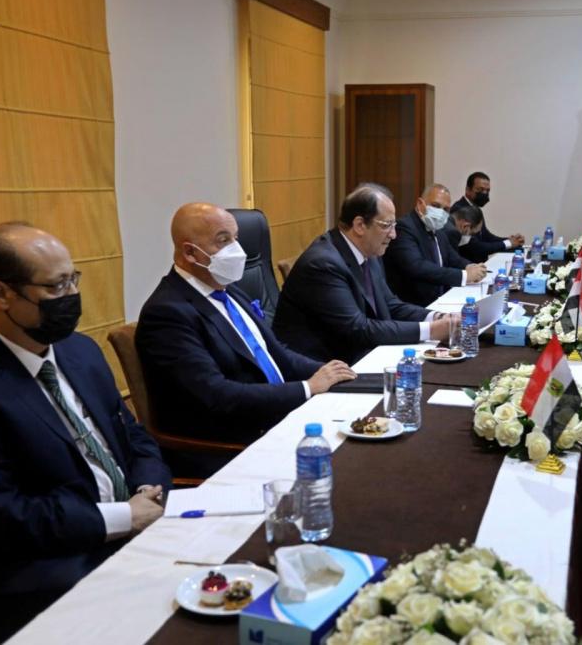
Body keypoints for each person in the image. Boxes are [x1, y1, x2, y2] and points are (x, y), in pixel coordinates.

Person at [0, 223, 171, 645]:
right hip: (34, 570)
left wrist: (147, 488)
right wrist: (123, 517)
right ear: (0, 294)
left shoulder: (79, 350)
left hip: (127, 527)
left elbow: (132, 435)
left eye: (73, 279)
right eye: (56, 286)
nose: (72, 296)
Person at [135, 203, 356, 466]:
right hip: (228, 443)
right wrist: (307, 388)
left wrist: (332, 374)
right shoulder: (167, 313)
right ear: (190, 252)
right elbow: (217, 395)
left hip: (277, 415)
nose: (236, 249)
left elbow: (276, 354)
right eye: (223, 240)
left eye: (236, 238)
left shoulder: (227, 290)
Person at [273, 183, 454, 364]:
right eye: (386, 225)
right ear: (360, 225)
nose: (393, 235)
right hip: (321, 366)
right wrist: (431, 330)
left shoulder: (368, 251)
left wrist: (438, 317)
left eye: (394, 225)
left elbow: (390, 305)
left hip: (357, 353)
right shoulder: (324, 263)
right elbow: (358, 328)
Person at [384, 183, 488, 306]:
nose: (440, 212)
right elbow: (417, 267)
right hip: (414, 305)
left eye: (446, 209)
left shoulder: (437, 227)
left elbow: (452, 257)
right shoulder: (404, 227)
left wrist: (470, 266)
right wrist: (464, 275)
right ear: (420, 204)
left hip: (439, 299)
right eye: (435, 206)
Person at [450, 171, 525, 262]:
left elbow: (486, 236)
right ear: (468, 190)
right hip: (468, 265)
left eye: (487, 190)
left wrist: (511, 240)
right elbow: (475, 247)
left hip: (481, 263)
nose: (484, 193)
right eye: (480, 189)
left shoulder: (476, 208)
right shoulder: (460, 210)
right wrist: (508, 243)